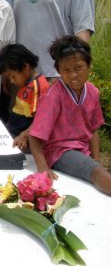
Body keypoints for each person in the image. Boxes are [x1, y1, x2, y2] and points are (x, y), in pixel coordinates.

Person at [29, 36, 111, 195]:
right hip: (60, 151)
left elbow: (93, 130)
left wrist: (96, 160)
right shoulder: (54, 95)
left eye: (79, 67)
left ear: (89, 66)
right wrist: (43, 168)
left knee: (96, 168)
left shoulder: (93, 92)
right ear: (58, 71)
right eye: (66, 70)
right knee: (95, 173)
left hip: (82, 149)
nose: (73, 75)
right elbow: (35, 136)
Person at [0, 44, 50, 150]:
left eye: (13, 76)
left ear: (25, 66)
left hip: (21, 140)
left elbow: (40, 120)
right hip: (13, 132)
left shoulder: (37, 86)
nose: (12, 81)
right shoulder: (25, 84)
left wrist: (24, 135)